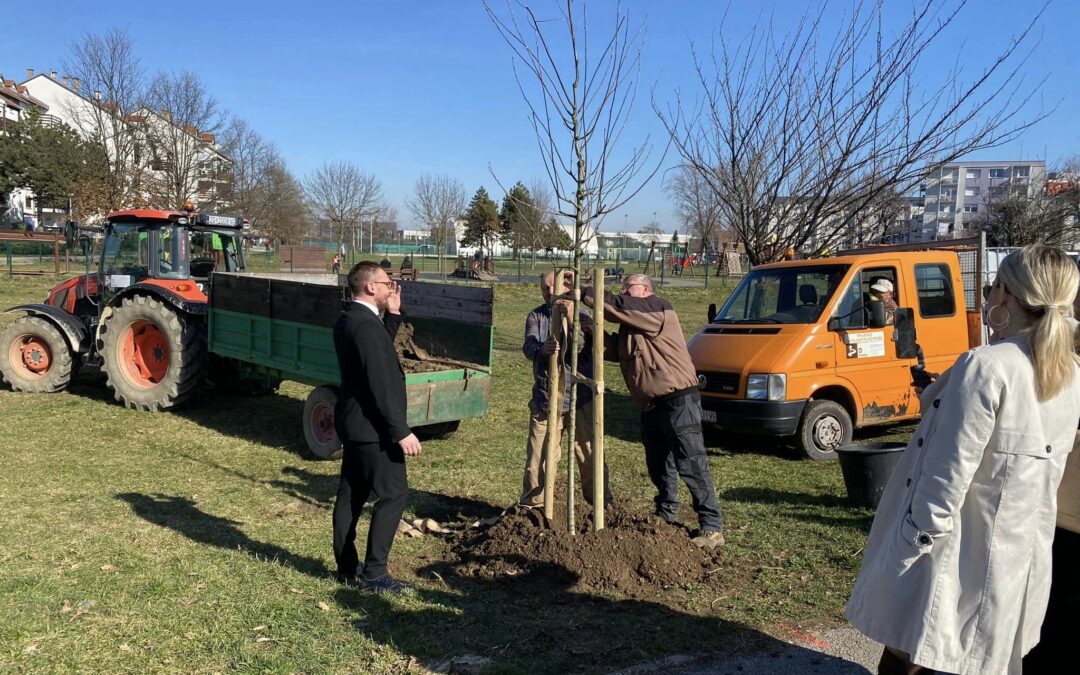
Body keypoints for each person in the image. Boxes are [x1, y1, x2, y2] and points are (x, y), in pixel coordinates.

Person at [846, 245, 1080, 674]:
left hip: (953, 552)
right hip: (1019, 556)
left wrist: (909, 549)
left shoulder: (987, 367)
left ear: (1005, 294)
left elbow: (945, 479)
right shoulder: (1070, 373)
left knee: (909, 654)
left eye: (993, 288)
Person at [582, 274, 724, 548]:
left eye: (628, 287)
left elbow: (616, 306)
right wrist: (590, 329)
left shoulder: (658, 308)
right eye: (622, 287)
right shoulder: (633, 323)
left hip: (678, 400)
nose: (624, 291)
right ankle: (666, 513)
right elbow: (616, 352)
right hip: (651, 404)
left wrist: (585, 291)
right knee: (658, 464)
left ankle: (711, 526)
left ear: (646, 289)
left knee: (691, 462)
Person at [332, 261, 423, 595]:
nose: (391, 287)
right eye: (386, 283)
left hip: (354, 424)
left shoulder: (351, 319)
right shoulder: (366, 327)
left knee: (351, 495)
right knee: (394, 494)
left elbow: (377, 352)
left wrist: (393, 315)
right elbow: (380, 382)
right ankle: (374, 574)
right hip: (373, 429)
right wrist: (400, 431)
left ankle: (346, 566)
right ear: (370, 287)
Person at [520, 272, 612, 511]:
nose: (549, 291)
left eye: (553, 286)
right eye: (544, 287)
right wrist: (542, 349)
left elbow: (580, 347)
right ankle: (534, 506)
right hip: (546, 398)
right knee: (538, 459)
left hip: (581, 398)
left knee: (590, 454)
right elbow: (528, 347)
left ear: (567, 287)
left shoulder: (585, 317)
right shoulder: (536, 316)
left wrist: (571, 318)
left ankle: (601, 505)